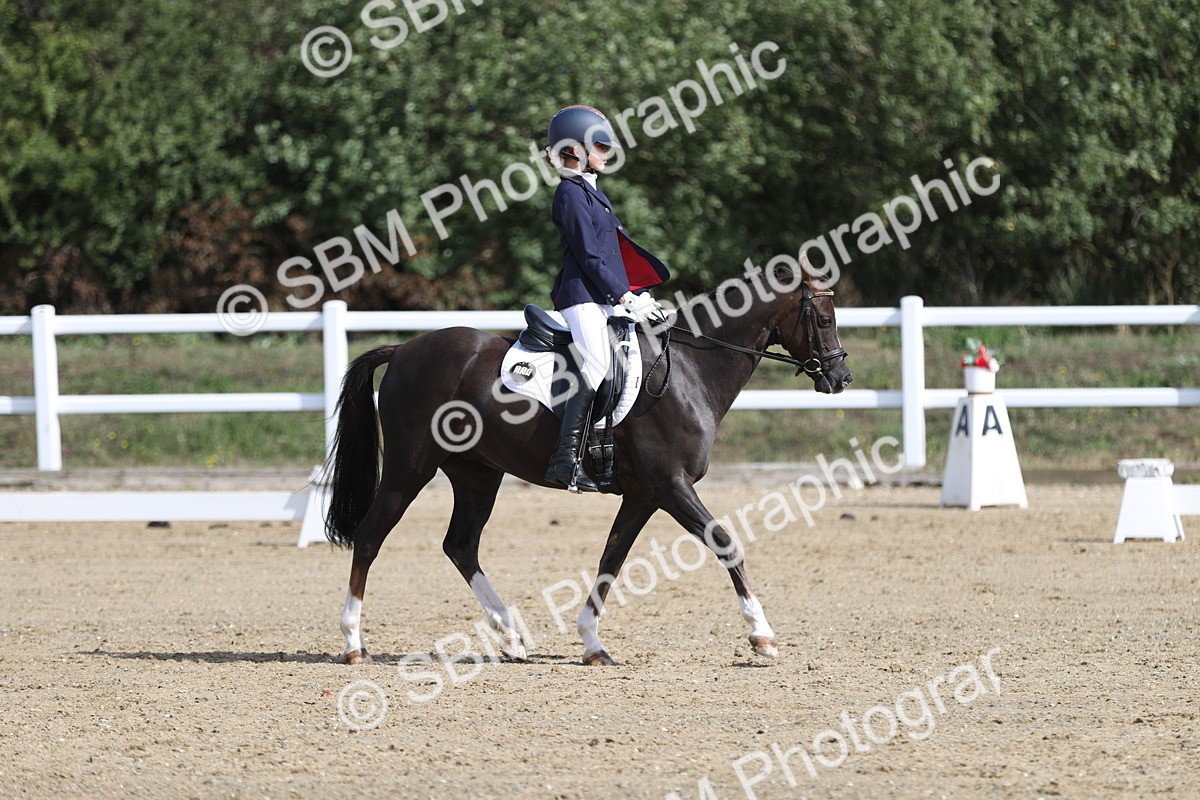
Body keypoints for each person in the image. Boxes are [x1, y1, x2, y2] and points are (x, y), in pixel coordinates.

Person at [543, 104, 670, 491]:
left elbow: (614, 252)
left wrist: (638, 293)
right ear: (575, 148)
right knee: (597, 363)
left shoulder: (592, 191)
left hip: (603, 295)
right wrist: (622, 295)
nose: (608, 152)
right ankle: (565, 461)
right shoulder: (569, 193)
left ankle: (608, 446)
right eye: (601, 145)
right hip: (581, 296)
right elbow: (589, 256)